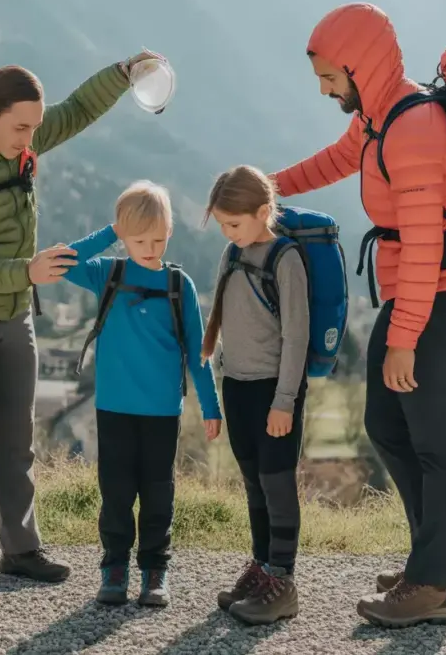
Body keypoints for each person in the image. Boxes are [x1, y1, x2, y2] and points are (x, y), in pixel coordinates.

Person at [268, 2, 446, 628]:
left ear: (362, 66)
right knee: (387, 423)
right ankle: (437, 560)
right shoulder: (380, 113)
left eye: (331, 77)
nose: (326, 89)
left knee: (436, 443)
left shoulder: (413, 128)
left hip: (436, 292)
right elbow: (336, 159)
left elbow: (424, 243)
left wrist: (405, 338)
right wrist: (266, 185)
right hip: (415, 292)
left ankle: (433, 583)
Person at [0, 51, 164, 585]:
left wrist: (122, 73)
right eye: (20, 128)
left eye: (35, 127)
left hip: (14, 318)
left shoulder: (21, 144)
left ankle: (20, 550)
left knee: (17, 437)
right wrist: (27, 272)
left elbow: (76, 110)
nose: (30, 139)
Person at [59, 180, 223, 607]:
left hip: (161, 412)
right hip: (113, 408)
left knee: (157, 493)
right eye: (137, 239)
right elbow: (65, 260)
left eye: (157, 238)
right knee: (115, 491)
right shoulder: (108, 274)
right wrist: (111, 233)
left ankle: (155, 571)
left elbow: (198, 351)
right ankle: (114, 567)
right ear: (123, 237)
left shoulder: (178, 285)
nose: (149, 248)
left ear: (170, 232)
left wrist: (211, 405)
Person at [201, 165, 310, 626]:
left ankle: (282, 582)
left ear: (263, 212)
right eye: (224, 225)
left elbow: (297, 336)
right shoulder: (233, 251)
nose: (228, 232)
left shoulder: (285, 259)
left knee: (277, 483)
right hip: (238, 387)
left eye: (235, 223)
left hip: (273, 391)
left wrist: (284, 401)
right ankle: (263, 568)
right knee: (253, 484)